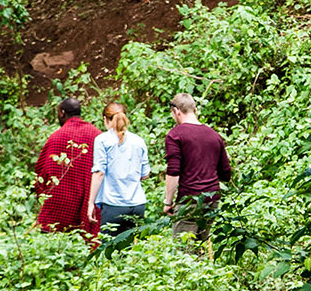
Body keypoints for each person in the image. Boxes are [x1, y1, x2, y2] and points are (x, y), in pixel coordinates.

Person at [162, 92, 231, 241]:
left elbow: (173, 172)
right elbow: (226, 173)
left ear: (176, 111)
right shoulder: (214, 135)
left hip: (189, 201)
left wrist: (168, 202)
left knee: (183, 253)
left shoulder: (175, 135)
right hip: (212, 201)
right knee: (201, 251)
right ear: (195, 110)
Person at [35, 97, 100, 241]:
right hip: (90, 200)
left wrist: (42, 193)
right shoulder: (96, 134)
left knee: (53, 240)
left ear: (62, 113)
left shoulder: (56, 137)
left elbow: (42, 171)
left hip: (60, 204)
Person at [86, 102, 149, 234]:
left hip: (113, 205)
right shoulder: (139, 141)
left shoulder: (102, 140)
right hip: (137, 204)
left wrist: (91, 202)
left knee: (109, 249)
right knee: (133, 250)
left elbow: (99, 173)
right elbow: (145, 175)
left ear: (105, 119)